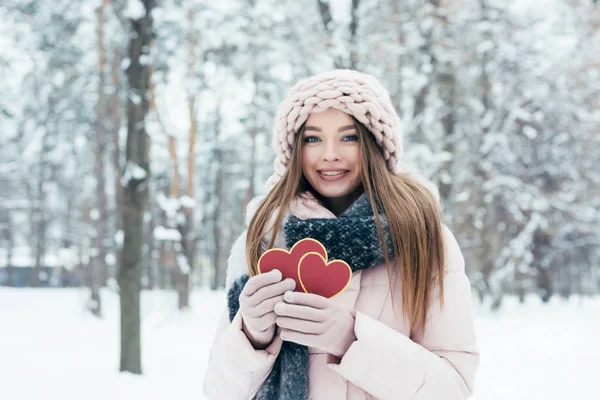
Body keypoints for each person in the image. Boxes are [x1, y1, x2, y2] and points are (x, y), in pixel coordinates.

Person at [203, 69, 480, 400]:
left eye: (349, 137)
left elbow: (453, 391)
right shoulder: (266, 237)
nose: (330, 154)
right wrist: (251, 336)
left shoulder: (422, 237)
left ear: (375, 146)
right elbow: (219, 392)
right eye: (313, 138)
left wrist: (352, 338)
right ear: (294, 150)